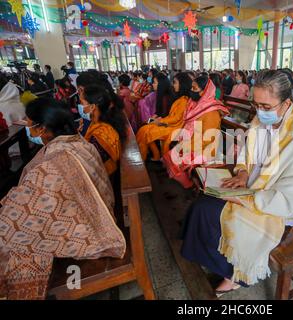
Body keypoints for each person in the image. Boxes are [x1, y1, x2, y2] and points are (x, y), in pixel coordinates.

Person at [181, 70, 293, 295]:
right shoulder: (262, 120)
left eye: (266, 106)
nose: (259, 112)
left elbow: (292, 196)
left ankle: (236, 274)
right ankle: (218, 258)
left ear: (286, 103)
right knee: (203, 202)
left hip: (276, 204)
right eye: (256, 105)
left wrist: (248, 198)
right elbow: (247, 152)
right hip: (251, 187)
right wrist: (243, 173)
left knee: (210, 211)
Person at [0, 98, 125, 299]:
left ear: (42, 129)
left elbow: (31, 209)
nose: (27, 127)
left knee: (13, 241)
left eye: (29, 123)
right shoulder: (78, 142)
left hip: (94, 230)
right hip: (99, 212)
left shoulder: (54, 164)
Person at [164, 76, 229, 188]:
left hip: (207, 150)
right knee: (169, 156)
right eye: (191, 88)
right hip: (195, 144)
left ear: (204, 92)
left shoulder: (211, 112)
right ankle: (189, 184)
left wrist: (187, 146)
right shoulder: (196, 105)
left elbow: (208, 139)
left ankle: (190, 186)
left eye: (195, 89)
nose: (191, 91)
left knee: (175, 160)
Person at [136, 72, 192, 161]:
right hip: (169, 123)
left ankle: (141, 159)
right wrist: (157, 120)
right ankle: (151, 155)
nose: (173, 85)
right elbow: (166, 115)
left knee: (145, 131)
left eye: (175, 83)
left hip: (174, 127)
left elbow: (176, 118)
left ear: (182, 84)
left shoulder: (184, 100)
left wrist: (160, 121)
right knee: (144, 129)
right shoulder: (180, 98)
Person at [79, 85, 127, 175]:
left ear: (92, 107)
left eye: (82, 103)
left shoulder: (101, 134)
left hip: (105, 178)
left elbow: (91, 166)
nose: (80, 106)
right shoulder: (97, 123)